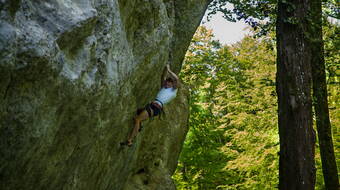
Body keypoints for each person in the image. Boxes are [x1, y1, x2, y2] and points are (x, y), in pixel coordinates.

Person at [125, 64, 179, 146]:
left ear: (172, 85)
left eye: (169, 83)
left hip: (156, 107)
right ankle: (139, 127)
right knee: (137, 116)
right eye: (167, 82)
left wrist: (168, 69)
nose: (167, 84)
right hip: (152, 105)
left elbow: (176, 79)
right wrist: (165, 69)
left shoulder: (173, 91)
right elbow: (162, 77)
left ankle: (130, 140)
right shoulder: (163, 88)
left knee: (137, 120)